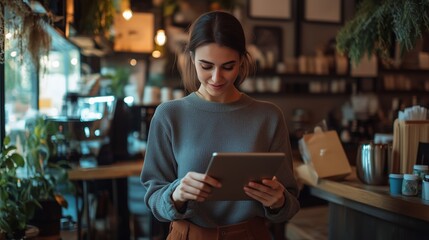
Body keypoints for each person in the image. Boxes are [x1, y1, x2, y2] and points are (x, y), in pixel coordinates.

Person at [141, 11, 300, 240]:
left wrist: (279, 201)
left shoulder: (268, 117)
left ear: (242, 61)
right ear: (192, 58)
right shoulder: (169, 115)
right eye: (206, 66)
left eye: (228, 66)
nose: (216, 78)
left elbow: (290, 203)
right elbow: (153, 198)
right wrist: (176, 193)